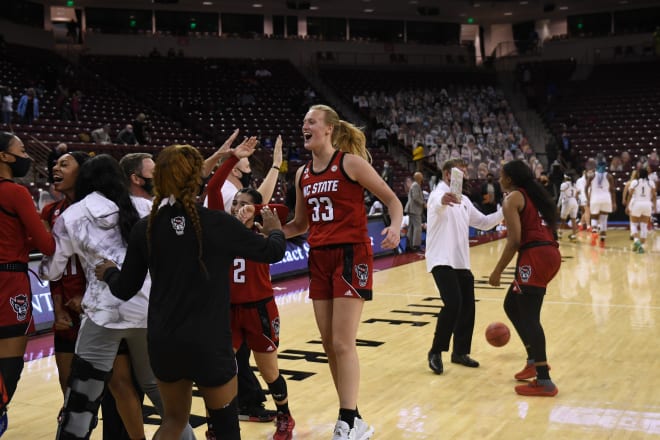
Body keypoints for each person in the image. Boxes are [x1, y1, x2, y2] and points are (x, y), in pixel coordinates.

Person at [95, 144, 286, 440]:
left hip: (165, 340)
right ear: (197, 177)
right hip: (209, 341)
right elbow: (273, 251)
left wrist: (108, 272)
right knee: (225, 428)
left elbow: (124, 288)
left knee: (173, 421)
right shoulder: (218, 223)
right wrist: (274, 228)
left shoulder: (146, 227)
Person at [39, 154, 195, 440]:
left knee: (82, 400)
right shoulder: (146, 206)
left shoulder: (71, 214)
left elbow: (52, 271)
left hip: (103, 315)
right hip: (148, 312)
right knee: (162, 396)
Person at [282, 104, 403, 440]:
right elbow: (300, 225)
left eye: (311, 121)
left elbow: (393, 200)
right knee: (328, 344)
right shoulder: (302, 173)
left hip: (351, 254)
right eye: (303, 120)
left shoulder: (349, 163)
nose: (304, 125)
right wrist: (269, 231)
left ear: (329, 129)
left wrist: (395, 226)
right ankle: (355, 416)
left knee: (342, 341)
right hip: (319, 257)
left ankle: (347, 419)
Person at [41, 152, 141, 440]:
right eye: (55, 164)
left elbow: (116, 260)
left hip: (100, 308)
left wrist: (88, 297)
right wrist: (58, 306)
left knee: (119, 384)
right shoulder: (51, 212)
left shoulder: (115, 208)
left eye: (64, 164)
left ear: (84, 172)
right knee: (70, 384)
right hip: (71, 308)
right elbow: (55, 267)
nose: (55, 168)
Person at [488, 160, 561, 397]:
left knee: (530, 317)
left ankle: (544, 379)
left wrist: (498, 270)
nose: (499, 179)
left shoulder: (512, 198)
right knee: (512, 304)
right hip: (550, 253)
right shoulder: (535, 195)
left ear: (510, 178)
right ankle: (533, 359)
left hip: (535, 256)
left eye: (501, 175)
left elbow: (515, 241)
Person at [425, 158, 503, 376]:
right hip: (441, 259)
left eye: (465, 172)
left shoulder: (465, 201)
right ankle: (435, 351)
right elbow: (437, 203)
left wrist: (504, 210)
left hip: (460, 261)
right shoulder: (436, 194)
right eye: (460, 172)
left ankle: (460, 352)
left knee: (467, 306)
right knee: (453, 303)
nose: (464, 175)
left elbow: (485, 223)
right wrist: (444, 198)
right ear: (448, 174)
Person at [0, 132, 55, 436]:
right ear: (4, 157)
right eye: (21, 151)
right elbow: (46, 245)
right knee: (9, 365)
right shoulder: (15, 192)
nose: (26, 156)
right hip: (8, 281)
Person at [229, 188, 295, 439]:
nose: (237, 207)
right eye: (235, 203)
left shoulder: (263, 233)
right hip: (229, 310)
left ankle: (285, 415)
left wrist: (254, 211)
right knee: (221, 368)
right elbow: (212, 191)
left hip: (260, 309)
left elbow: (283, 212)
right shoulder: (223, 231)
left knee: (269, 371)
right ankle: (218, 424)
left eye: (244, 204)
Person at [586, 158, 617, 247]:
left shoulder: (592, 175)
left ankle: (594, 232)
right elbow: (612, 190)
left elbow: (586, 187)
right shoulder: (609, 176)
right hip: (606, 199)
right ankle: (602, 241)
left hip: (595, 199)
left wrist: (588, 198)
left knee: (594, 218)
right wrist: (614, 202)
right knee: (604, 220)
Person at [626, 168, 656, 254]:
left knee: (633, 223)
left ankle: (636, 240)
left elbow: (630, 195)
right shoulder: (651, 183)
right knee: (644, 226)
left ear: (639, 174)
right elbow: (654, 195)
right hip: (647, 205)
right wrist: (654, 206)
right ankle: (641, 247)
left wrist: (628, 205)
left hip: (637, 204)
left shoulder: (635, 182)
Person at [404, 171, 425, 251]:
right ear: (419, 178)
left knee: (411, 227)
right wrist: (423, 204)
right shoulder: (416, 185)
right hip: (414, 209)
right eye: (421, 176)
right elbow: (416, 197)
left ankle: (409, 245)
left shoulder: (415, 185)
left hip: (411, 209)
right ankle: (416, 245)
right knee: (417, 227)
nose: (422, 177)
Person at [557, 173, 578, 241]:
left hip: (567, 201)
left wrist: (558, 205)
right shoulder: (574, 184)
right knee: (573, 220)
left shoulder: (564, 184)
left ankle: (560, 233)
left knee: (563, 220)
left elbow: (561, 196)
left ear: (565, 177)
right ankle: (574, 235)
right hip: (574, 201)